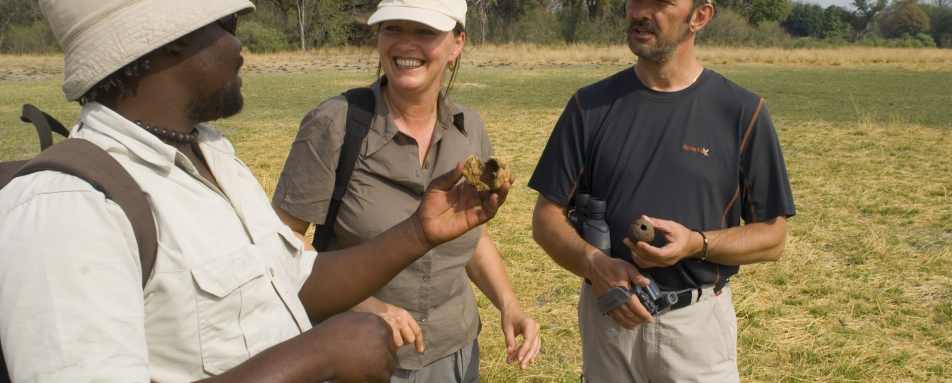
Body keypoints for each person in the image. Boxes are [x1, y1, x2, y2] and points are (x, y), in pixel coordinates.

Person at [0, 1, 511, 382]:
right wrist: (318, 356)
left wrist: (418, 232)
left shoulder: (213, 158)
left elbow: (294, 279)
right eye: (227, 27)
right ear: (169, 42)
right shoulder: (67, 209)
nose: (240, 47)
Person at [271, 1, 540, 381]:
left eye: (425, 32)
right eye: (393, 28)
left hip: (454, 352)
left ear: (457, 44)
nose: (405, 45)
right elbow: (284, 243)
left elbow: (473, 235)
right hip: (359, 353)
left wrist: (509, 304)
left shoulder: (469, 130)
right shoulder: (335, 125)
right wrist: (368, 307)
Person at [528, 0, 796, 381]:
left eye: (660, 3)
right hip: (609, 321)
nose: (641, 12)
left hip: (695, 330)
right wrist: (595, 265)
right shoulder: (589, 106)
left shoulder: (741, 111)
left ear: (700, 16)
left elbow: (773, 238)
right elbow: (545, 219)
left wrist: (695, 244)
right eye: (636, 0)